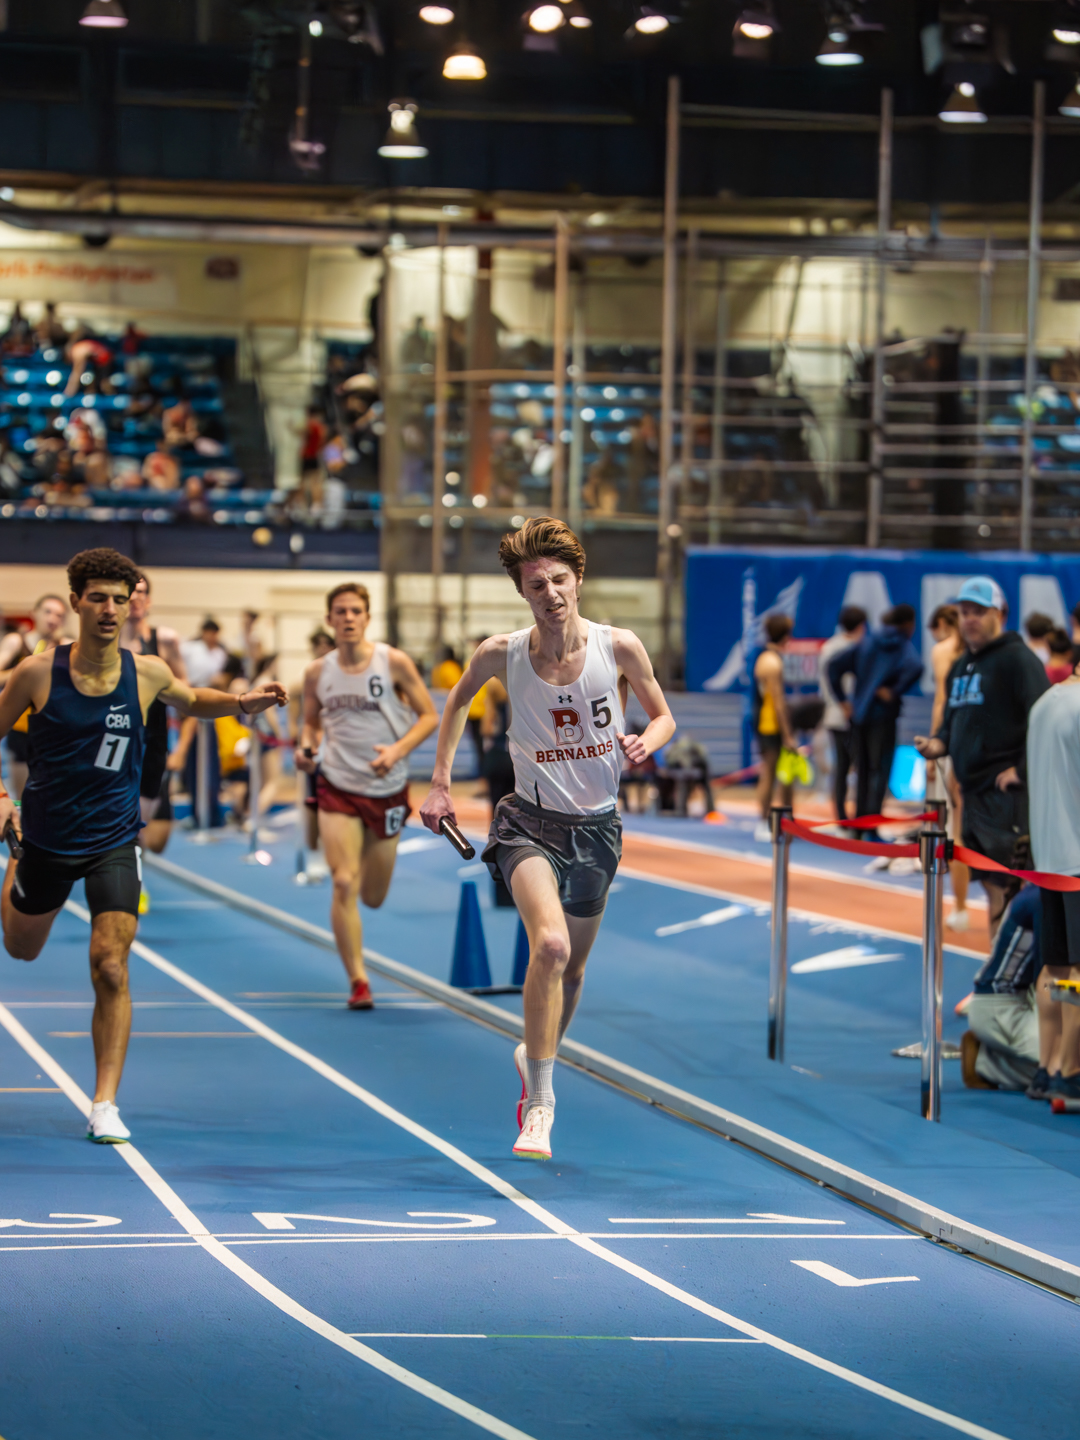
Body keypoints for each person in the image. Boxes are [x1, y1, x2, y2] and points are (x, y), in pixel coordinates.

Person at [0, 547, 287, 1144]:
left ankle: (105, 1101)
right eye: (99, 598)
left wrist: (240, 704)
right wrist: (6, 804)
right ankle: (15, 869)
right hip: (46, 840)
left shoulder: (147, 671)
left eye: (120, 600)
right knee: (21, 949)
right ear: (77, 600)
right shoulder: (35, 671)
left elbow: (189, 698)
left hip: (112, 838)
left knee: (110, 961)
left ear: (131, 605)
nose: (110, 610)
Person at [420, 517, 675, 1162]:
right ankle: (540, 1106)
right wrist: (441, 784)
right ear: (523, 593)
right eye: (537, 585)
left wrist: (649, 739)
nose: (551, 593)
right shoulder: (500, 653)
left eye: (560, 580)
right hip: (527, 825)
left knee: (575, 968)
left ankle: (532, 1053)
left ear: (578, 581)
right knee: (552, 947)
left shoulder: (619, 647)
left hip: (598, 829)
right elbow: (455, 703)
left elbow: (665, 713)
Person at [296, 583, 438, 1010]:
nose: (348, 618)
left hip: (387, 789)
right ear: (330, 620)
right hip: (337, 785)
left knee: (372, 896)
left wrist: (396, 750)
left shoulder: (392, 663)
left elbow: (430, 715)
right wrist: (307, 749)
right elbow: (309, 724)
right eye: (340, 612)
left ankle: (358, 893)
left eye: (356, 611)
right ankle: (358, 979)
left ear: (367, 617)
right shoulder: (317, 673)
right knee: (342, 881)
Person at [915, 577, 1049, 940]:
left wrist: (1021, 771)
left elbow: (1044, 720)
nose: (970, 618)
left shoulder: (1019, 660)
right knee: (993, 887)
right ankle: (999, 975)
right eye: (964, 612)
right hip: (972, 798)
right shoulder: (962, 666)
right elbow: (954, 719)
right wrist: (938, 744)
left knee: (1014, 892)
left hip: (1007, 800)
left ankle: (1020, 982)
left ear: (1000, 614)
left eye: (979, 611)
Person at [1025, 662, 1080, 1103]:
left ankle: (1043, 1068)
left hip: (1048, 856)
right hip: (1077, 855)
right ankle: (1069, 1069)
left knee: (1055, 966)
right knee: (1078, 971)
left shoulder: (1044, 703)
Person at [119, 574, 186, 911]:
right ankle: (125, 887)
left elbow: (189, 698)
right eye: (130, 593)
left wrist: (183, 748)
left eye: (142, 593)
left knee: (146, 833)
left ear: (149, 600)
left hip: (153, 746)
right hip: (114, 745)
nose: (135, 599)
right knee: (122, 825)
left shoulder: (165, 640)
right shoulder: (107, 641)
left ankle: (131, 881)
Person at [827, 603, 924, 837]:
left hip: (859, 717)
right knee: (879, 771)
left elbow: (833, 666)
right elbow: (917, 666)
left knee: (862, 771)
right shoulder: (902, 645)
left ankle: (859, 825)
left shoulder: (868, 642)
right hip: (882, 717)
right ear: (908, 624)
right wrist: (895, 689)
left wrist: (844, 701)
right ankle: (871, 827)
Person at [962, 887, 1041, 1091]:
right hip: (1002, 1006)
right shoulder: (1045, 898)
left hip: (1027, 997)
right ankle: (985, 1062)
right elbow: (1052, 979)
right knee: (1064, 1068)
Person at [926, 603, 970, 932]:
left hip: (953, 742)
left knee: (953, 828)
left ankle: (960, 906)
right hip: (974, 743)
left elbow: (942, 700)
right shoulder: (981, 652)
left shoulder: (943, 651)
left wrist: (935, 746)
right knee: (962, 827)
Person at [0, 595, 69, 801]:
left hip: (52, 729)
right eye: (48, 611)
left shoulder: (64, 646)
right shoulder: (16, 642)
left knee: (49, 796)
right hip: (21, 729)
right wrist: (24, 671)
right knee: (23, 798)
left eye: (59, 615)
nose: (52, 618)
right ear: (34, 614)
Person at [818, 605, 867, 827]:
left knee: (841, 767)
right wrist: (846, 704)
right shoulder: (855, 649)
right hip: (848, 714)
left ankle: (842, 817)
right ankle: (853, 817)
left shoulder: (828, 647)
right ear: (860, 626)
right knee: (856, 765)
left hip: (833, 714)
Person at [752, 613, 796, 844]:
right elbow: (778, 701)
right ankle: (762, 821)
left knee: (780, 774)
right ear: (785, 635)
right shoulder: (772, 661)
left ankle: (785, 819)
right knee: (769, 772)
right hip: (769, 724)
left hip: (768, 723)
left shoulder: (768, 657)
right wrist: (788, 735)